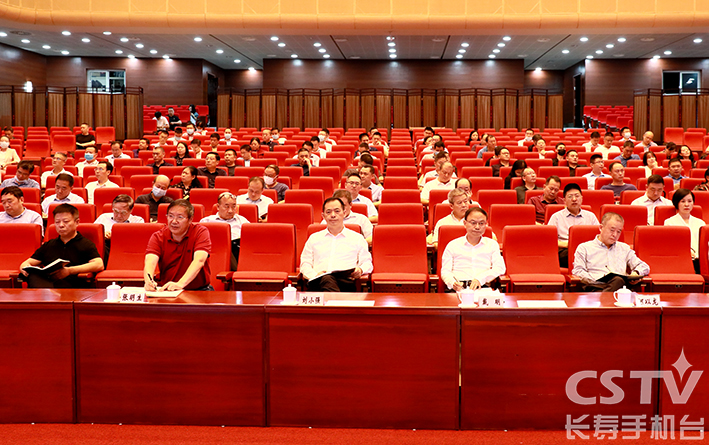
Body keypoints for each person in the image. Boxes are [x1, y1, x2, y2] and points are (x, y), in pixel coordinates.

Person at [20, 204, 103, 288]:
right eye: (57, 222)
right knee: (34, 276)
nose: (61, 225)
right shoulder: (49, 245)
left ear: (77, 222)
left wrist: (70, 271)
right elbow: (28, 262)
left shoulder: (85, 244)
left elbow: (99, 264)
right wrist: (23, 267)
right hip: (48, 282)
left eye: (66, 221)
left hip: (72, 284)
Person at [300, 197, 373, 292]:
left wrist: (360, 270)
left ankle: (332, 305)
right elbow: (305, 263)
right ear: (323, 215)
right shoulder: (314, 238)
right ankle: (336, 305)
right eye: (328, 212)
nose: (333, 215)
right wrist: (314, 275)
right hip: (318, 283)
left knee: (328, 280)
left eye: (337, 211)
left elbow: (367, 262)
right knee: (326, 279)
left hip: (345, 283)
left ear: (344, 212)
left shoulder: (357, 238)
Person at [144, 199, 212, 291]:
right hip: (168, 290)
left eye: (180, 217)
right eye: (170, 216)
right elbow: (150, 261)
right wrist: (148, 281)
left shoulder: (200, 232)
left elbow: (199, 260)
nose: (174, 221)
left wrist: (180, 284)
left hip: (199, 290)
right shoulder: (158, 236)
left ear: (190, 219)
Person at [572, 212, 649, 292]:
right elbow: (578, 271)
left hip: (620, 288)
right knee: (618, 281)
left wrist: (636, 273)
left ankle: (603, 299)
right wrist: (598, 279)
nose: (615, 235)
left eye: (618, 231)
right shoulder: (584, 248)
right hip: (595, 286)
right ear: (601, 227)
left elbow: (644, 266)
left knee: (618, 280)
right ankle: (605, 298)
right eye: (612, 230)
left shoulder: (624, 248)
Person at [440, 207, 505, 292]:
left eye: (481, 223)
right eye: (473, 223)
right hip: (458, 288)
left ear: (486, 224)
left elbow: (500, 268)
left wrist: (480, 279)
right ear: (465, 223)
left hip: (483, 287)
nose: (477, 227)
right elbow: (445, 271)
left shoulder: (492, 244)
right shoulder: (453, 245)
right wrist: (452, 283)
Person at [548, 183, 599, 268]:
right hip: (566, 251)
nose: (574, 199)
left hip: (588, 250)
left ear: (582, 198)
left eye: (577, 196)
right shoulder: (556, 217)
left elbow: (599, 237)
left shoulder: (591, 216)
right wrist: (569, 245)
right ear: (564, 200)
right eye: (570, 197)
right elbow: (550, 241)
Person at [200, 191, 250, 270]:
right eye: (226, 207)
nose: (230, 211)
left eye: (233, 206)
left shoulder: (242, 220)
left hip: (239, 251)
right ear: (218, 207)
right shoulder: (206, 221)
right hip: (215, 251)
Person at [94, 194, 145, 262]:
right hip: (104, 249)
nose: (119, 216)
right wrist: (101, 234)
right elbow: (93, 235)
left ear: (131, 210)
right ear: (112, 208)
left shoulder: (137, 221)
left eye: (123, 213)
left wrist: (115, 236)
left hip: (126, 249)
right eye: (116, 211)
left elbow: (138, 240)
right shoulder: (103, 217)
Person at [664, 188, 705, 273]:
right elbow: (671, 245)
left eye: (689, 201)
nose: (687, 204)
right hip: (680, 260)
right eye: (683, 201)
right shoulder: (669, 222)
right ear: (677, 203)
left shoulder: (700, 223)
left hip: (701, 260)